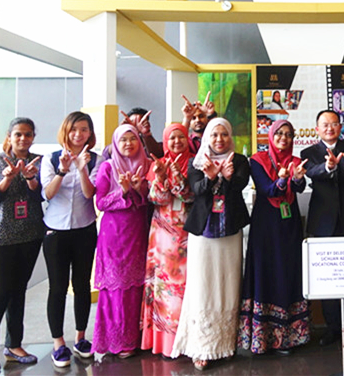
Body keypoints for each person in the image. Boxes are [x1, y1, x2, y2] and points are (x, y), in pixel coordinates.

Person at [172, 118, 250, 370]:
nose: (219, 139)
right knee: (202, 285)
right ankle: (201, 347)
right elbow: (196, 190)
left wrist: (228, 178)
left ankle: (225, 344)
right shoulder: (198, 160)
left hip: (230, 232)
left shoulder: (239, 160)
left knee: (228, 283)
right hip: (203, 233)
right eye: (214, 134)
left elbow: (239, 186)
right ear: (207, 137)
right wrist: (211, 177)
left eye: (224, 134)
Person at [0, 118, 43, 373]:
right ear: (9, 136)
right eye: (18, 134)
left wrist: (30, 178)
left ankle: (14, 345)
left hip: (29, 234)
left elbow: (40, 196)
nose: (23, 139)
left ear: (33, 137)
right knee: (0, 291)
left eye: (28, 134)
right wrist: (6, 179)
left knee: (18, 291)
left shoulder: (38, 162)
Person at [300, 109, 344, 350]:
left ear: (340, 127)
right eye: (325, 124)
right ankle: (332, 327)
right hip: (323, 221)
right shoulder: (308, 153)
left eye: (334, 124)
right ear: (317, 129)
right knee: (327, 276)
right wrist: (328, 167)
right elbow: (312, 172)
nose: (329, 128)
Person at [240, 120, 310, 355]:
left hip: (289, 225)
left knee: (288, 270)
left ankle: (289, 337)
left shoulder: (296, 161)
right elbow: (266, 189)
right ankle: (263, 337)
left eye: (288, 134)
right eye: (279, 133)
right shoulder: (257, 160)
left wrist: (296, 179)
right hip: (265, 227)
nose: (283, 138)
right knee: (265, 271)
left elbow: (299, 188)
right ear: (270, 136)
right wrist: (281, 179)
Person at [41, 112, 103, 367]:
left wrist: (82, 168)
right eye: (74, 129)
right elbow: (47, 194)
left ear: (90, 133)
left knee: (81, 285)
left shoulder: (96, 159)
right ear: (66, 131)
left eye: (84, 129)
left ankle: (80, 338)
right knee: (57, 287)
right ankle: (58, 343)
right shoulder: (50, 158)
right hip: (55, 232)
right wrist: (62, 170)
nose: (79, 134)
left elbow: (90, 194)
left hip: (84, 229)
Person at [93, 124, 151, 357]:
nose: (128, 144)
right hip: (113, 236)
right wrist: (123, 191)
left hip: (139, 233)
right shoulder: (108, 167)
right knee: (116, 288)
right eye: (123, 140)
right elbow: (100, 203)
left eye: (133, 139)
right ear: (115, 143)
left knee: (138, 286)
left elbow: (153, 200)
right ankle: (117, 341)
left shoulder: (147, 166)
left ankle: (138, 339)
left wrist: (139, 190)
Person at [140, 124, 195, 357]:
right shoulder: (158, 164)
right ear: (165, 141)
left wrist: (179, 178)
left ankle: (187, 339)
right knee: (164, 288)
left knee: (186, 286)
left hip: (187, 234)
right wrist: (161, 178)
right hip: (162, 236)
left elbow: (190, 196)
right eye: (172, 138)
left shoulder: (194, 162)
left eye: (181, 137)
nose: (176, 141)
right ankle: (165, 342)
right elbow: (156, 199)